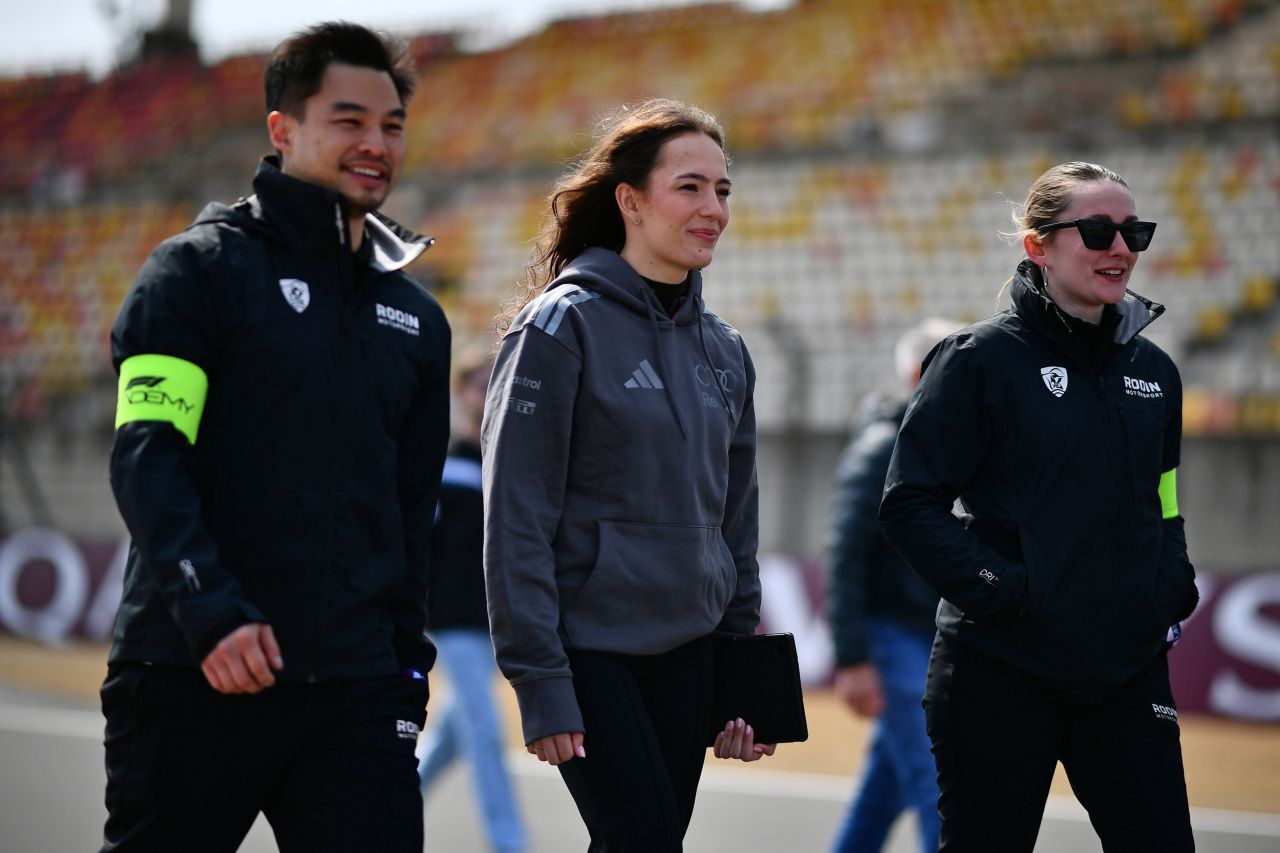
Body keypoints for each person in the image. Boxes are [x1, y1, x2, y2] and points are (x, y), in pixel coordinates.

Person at [101, 22, 450, 853]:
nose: (376, 143)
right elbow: (150, 456)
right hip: (196, 668)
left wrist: (405, 669)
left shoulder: (416, 318)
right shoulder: (194, 272)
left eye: (391, 125)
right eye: (349, 120)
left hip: (359, 694)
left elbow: (411, 514)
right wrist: (210, 615)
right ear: (282, 129)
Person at [879, 161, 1200, 852]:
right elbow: (909, 502)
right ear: (1037, 245)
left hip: (1124, 669)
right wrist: (1009, 591)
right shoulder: (977, 359)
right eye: (1097, 230)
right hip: (1001, 669)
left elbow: (1165, 499)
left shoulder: (1156, 373)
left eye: (1133, 231)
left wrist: (1171, 581)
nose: (1121, 248)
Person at [481, 98, 774, 853]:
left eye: (723, 189)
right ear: (630, 200)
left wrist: (740, 666)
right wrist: (540, 680)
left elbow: (734, 519)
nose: (714, 208)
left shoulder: (728, 349)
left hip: (691, 650)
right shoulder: (558, 324)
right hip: (589, 651)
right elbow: (515, 518)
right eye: (690, 187)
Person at [826, 318, 961, 853]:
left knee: (881, 798)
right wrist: (854, 658)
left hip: (926, 641)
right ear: (915, 374)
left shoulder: (943, 448)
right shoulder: (884, 447)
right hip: (893, 640)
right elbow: (844, 553)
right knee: (940, 791)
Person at [416, 352, 527, 853]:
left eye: (494, 385)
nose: (486, 395)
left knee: (454, 733)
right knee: (483, 729)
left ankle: (393, 800)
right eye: (479, 386)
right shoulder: (440, 466)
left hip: (495, 624)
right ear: (462, 395)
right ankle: (510, 844)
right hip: (454, 624)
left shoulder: (510, 465)